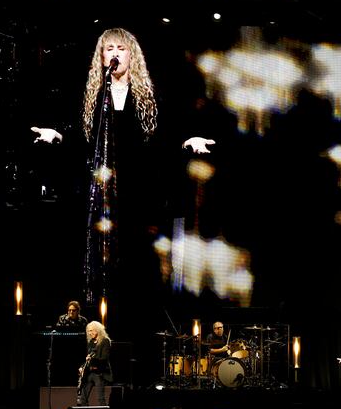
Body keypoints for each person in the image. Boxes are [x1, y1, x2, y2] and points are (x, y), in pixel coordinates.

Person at [31, 27, 216, 311]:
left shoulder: (150, 97)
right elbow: (79, 135)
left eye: (121, 49)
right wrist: (57, 135)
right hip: (101, 194)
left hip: (138, 194)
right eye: (109, 49)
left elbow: (168, 133)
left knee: (136, 263)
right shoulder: (93, 96)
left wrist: (188, 140)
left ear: (132, 55)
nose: (114, 54)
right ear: (101, 56)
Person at [77, 321, 112, 406]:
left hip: (100, 373)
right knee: (83, 398)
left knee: (100, 398)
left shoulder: (105, 341)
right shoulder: (91, 343)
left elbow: (104, 358)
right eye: (89, 331)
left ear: (98, 330)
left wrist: (91, 359)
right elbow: (88, 358)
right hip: (90, 372)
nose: (90, 333)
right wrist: (82, 367)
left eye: (92, 330)